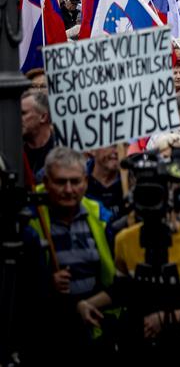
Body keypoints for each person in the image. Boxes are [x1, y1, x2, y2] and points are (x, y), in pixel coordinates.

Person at [28, 147, 115, 353]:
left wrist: (85, 304)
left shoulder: (100, 216)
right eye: (60, 182)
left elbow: (118, 280)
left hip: (95, 330)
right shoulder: (30, 219)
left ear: (85, 181)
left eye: (75, 182)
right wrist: (46, 282)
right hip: (46, 336)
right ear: (46, 182)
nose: (68, 190)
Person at [21, 88, 56, 178]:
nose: (16, 117)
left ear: (43, 117)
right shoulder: (13, 149)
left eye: (23, 113)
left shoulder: (62, 149)